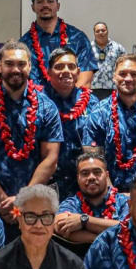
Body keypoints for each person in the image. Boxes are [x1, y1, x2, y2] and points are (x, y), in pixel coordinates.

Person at [0, 42, 63, 223]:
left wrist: (23, 198)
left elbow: (51, 159)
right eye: (9, 64)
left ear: (29, 66)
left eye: (21, 64)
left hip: (34, 203)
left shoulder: (47, 107)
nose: (16, 69)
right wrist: (2, 199)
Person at [82, 54, 136, 191]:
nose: (128, 78)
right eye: (122, 74)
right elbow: (93, 162)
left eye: (134, 74)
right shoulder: (98, 113)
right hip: (106, 194)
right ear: (114, 77)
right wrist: (114, 196)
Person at [20, 0, 96, 89]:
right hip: (37, 103)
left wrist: (67, 99)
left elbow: (86, 78)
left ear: (58, 6)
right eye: (40, 1)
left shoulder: (78, 38)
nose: (45, 5)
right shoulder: (24, 44)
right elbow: (22, 79)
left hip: (73, 102)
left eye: (50, 1)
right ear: (33, 7)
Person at [45, 48, 96, 199]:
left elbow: (98, 144)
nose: (66, 71)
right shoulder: (38, 102)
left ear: (78, 72)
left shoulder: (91, 102)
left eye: (71, 66)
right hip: (46, 182)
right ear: (49, 72)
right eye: (59, 67)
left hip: (83, 183)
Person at [55, 153, 129, 246]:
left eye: (97, 172)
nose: (91, 177)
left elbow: (128, 229)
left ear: (106, 176)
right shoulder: (72, 203)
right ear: (78, 178)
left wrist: (84, 221)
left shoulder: (125, 201)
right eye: (85, 173)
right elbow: (60, 226)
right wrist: (103, 240)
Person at [90, 21, 125, 100]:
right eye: (97, 31)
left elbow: (124, 68)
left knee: (112, 112)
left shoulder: (118, 48)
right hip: (92, 89)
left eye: (103, 30)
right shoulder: (88, 48)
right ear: (94, 33)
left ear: (107, 31)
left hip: (113, 88)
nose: (101, 33)